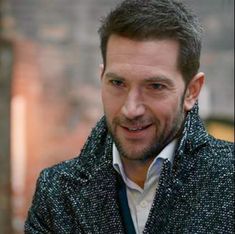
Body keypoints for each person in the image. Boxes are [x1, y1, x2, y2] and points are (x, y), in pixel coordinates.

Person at [25, 0, 234, 233]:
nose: (131, 109)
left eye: (155, 86)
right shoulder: (56, 193)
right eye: (117, 83)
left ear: (192, 91)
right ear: (102, 77)